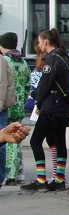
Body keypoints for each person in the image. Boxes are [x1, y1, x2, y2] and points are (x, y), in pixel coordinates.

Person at [21, 29, 69, 191]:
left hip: (50, 107)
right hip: (62, 107)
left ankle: (41, 179)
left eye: (39, 41)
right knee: (57, 142)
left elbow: (45, 84)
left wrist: (37, 99)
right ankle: (59, 179)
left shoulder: (51, 59)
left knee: (35, 141)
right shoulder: (64, 57)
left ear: (45, 40)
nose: (38, 45)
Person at [1, 32, 29, 185]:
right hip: (19, 105)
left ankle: (8, 174)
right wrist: (22, 100)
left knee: (6, 138)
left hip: (6, 104)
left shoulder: (4, 60)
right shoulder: (23, 62)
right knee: (17, 138)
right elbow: (28, 85)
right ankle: (17, 173)